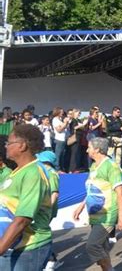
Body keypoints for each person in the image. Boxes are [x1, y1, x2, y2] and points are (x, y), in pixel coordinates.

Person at [0, 124, 52, 270]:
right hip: (11, 245)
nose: (6, 146)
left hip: (28, 249)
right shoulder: (18, 171)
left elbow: (23, 219)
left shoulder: (33, 173)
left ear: (22, 146)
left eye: (9, 143)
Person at [73, 137, 122, 271]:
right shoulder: (93, 166)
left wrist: (121, 217)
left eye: (89, 147)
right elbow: (92, 189)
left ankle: (108, 268)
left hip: (107, 214)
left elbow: (120, 191)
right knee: (102, 247)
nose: (86, 150)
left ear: (97, 150)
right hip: (95, 215)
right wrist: (81, 205)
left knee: (92, 245)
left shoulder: (110, 165)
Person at [36, 150, 63, 271]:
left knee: (41, 233)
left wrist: (47, 209)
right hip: (43, 209)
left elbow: (54, 193)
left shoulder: (51, 174)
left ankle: (51, 261)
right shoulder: (45, 172)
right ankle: (51, 260)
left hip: (46, 210)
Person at [52, 107, 70, 172]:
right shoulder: (55, 120)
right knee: (58, 155)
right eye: (61, 112)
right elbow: (59, 130)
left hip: (63, 139)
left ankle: (62, 168)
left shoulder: (60, 120)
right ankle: (57, 169)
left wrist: (66, 123)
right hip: (59, 139)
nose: (62, 113)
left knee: (62, 155)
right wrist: (65, 123)